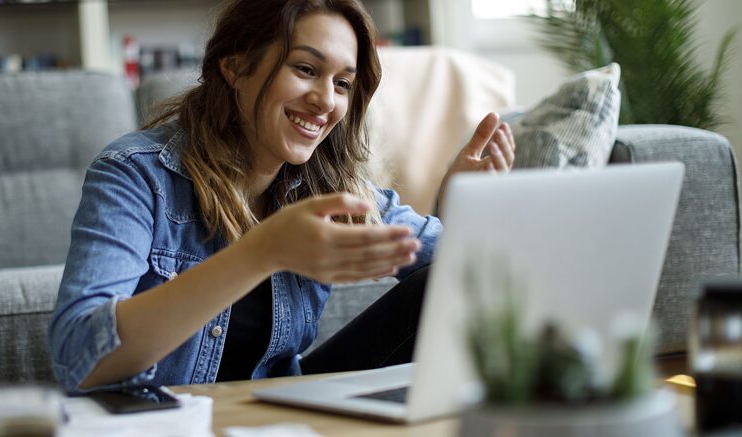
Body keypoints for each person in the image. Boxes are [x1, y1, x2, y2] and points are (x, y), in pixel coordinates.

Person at [48, 0, 515, 392]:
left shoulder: (328, 184)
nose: (326, 101)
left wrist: (462, 209)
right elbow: (77, 358)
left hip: (279, 411)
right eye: (306, 69)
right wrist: (261, 251)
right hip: (168, 420)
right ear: (235, 66)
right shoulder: (136, 174)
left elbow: (460, 271)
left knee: (443, 283)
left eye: (343, 83)